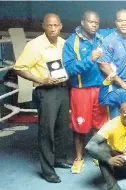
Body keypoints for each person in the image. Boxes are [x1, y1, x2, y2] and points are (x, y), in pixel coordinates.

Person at [13, 13, 71, 183]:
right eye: (49, 25)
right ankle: (47, 170)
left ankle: (59, 159)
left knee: (62, 127)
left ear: (61, 26)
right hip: (46, 91)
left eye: (56, 25)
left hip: (62, 88)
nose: (53, 29)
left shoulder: (63, 43)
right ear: (43, 26)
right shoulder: (34, 45)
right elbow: (19, 67)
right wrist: (41, 80)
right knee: (47, 131)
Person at [62, 10, 110, 174]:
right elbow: (69, 69)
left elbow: (121, 27)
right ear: (83, 22)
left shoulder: (101, 37)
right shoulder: (71, 42)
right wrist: (89, 58)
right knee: (80, 127)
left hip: (100, 89)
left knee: (100, 125)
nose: (94, 25)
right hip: (81, 90)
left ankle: (97, 154)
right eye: (91, 22)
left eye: (97, 22)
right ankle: (78, 158)